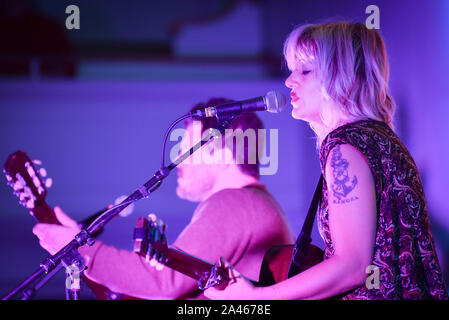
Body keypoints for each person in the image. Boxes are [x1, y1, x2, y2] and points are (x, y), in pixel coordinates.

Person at [204, 22, 448, 300]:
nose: (289, 81)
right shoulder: (379, 139)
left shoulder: (345, 149)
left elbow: (352, 266)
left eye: (305, 70)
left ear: (342, 78)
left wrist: (253, 298)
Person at [32, 98, 294, 300]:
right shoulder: (258, 205)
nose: (177, 158)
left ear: (222, 154)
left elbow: (166, 282)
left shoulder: (233, 204)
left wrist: (81, 250)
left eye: (186, 147)